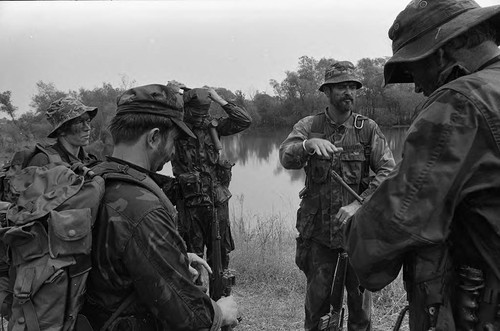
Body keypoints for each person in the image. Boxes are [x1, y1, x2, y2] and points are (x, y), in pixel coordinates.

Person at [343, 1, 500, 330]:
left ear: (444, 51)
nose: (415, 86)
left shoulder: (460, 103)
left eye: (414, 69)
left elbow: (390, 228)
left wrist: (357, 225)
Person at [82, 84, 238, 330]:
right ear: (154, 137)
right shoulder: (143, 209)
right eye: (174, 140)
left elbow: (113, 257)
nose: (173, 151)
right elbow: (190, 318)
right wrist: (221, 312)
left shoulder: (96, 177)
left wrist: (171, 256)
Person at [279, 61, 395, 331]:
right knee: (317, 312)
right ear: (327, 92)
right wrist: (307, 145)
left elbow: (389, 171)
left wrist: (359, 203)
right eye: (341, 86)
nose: (349, 92)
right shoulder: (310, 126)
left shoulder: (367, 129)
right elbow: (286, 157)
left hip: (358, 236)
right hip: (320, 238)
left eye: (352, 87)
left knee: (360, 314)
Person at [171, 87, 251, 272]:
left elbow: (244, 120)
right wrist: (172, 95)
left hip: (217, 199)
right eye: (196, 113)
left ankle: (221, 297)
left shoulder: (213, 126)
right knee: (191, 256)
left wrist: (219, 99)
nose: (200, 117)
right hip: (190, 201)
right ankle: (195, 297)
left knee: (220, 254)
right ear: (186, 108)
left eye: (204, 113)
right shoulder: (176, 127)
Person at [28, 96, 99, 166]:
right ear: (61, 130)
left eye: (88, 121)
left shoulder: (90, 160)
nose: (87, 128)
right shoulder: (43, 161)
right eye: (79, 122)